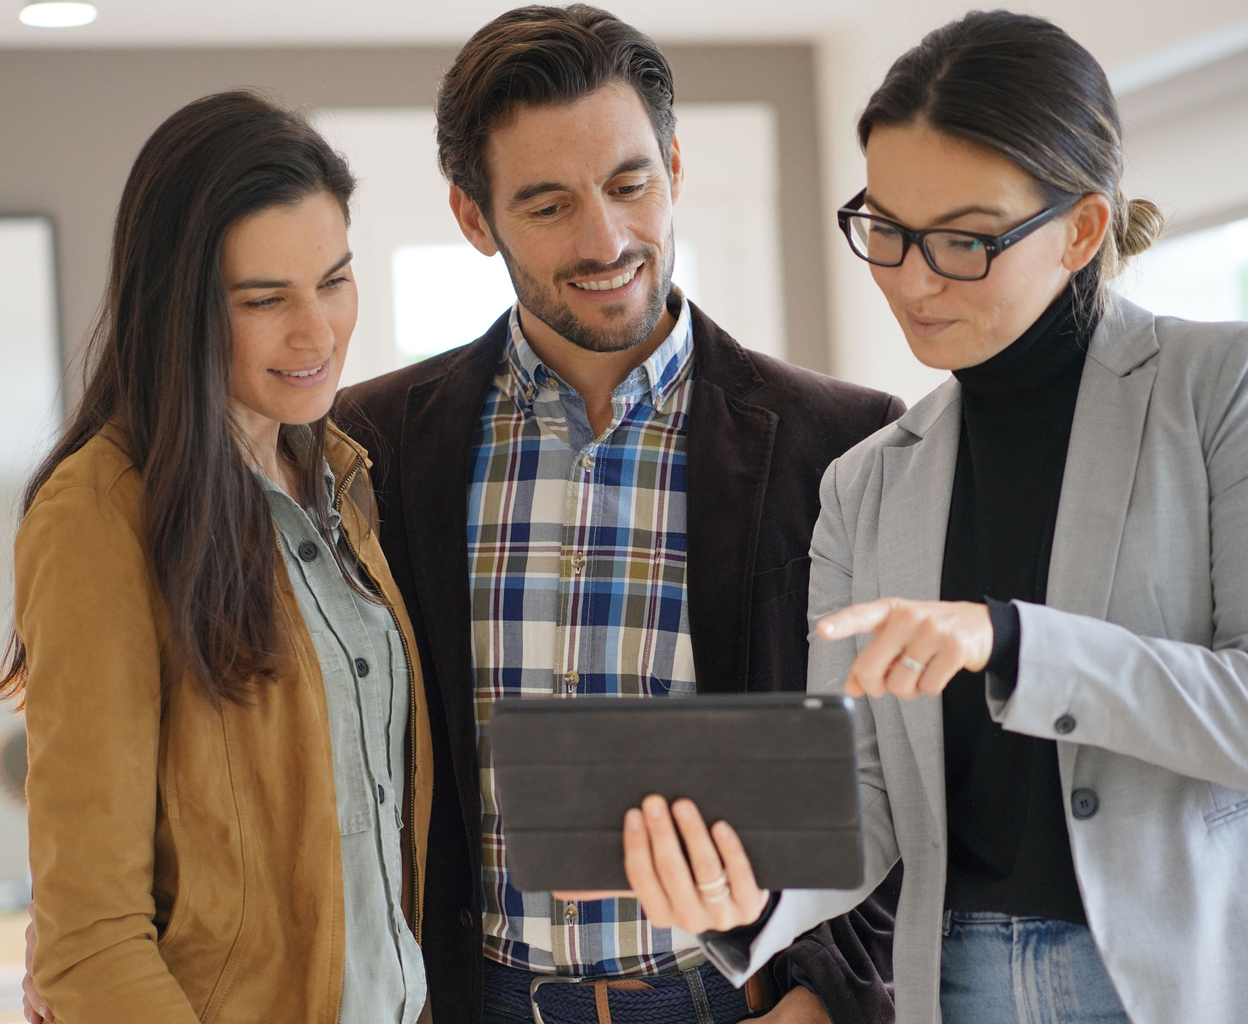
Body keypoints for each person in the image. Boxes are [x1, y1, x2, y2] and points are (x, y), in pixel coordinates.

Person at [609, 10, 1248, 1024]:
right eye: (885, 229)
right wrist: (754, 897)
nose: (912, 279)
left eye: (964, 240)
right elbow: (864, 799)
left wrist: (1010, 638)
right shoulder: (867, 484)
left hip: (1216, 980)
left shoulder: (1229, 387)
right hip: (963, 984)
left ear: (1084, 227)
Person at [332, 5, 904, 1022]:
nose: (606, 239)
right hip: (476, 1000)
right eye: (547, 204)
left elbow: (919, 768)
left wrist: (828, 991)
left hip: (741, 998)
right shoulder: (368, 444)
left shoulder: (846, 442)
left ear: (675, 167)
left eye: (630, 184)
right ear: (474, 218)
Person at [0, 91, 433, 1024]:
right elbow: (88, 939)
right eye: (264, 300)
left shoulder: (340, 477)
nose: (316, 334)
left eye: (335, 281)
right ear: (178, 306)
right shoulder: (101, 514)